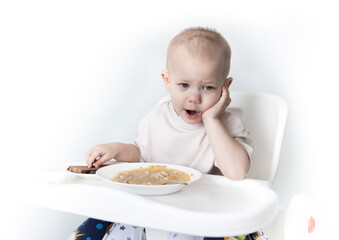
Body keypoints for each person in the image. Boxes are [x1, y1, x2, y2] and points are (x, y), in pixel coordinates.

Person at [73, 27, 269, 240]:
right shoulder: (158, 118)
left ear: (225, 87)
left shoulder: (228, 124)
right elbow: (141, 152)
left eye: (208, 88)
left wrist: (212, 120)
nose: (194, 97)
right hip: (154, 209)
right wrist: (115, 149)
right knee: (105, 225)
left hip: (204, 216)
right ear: (167, 81)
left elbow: (236, 171)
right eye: (184, 85)